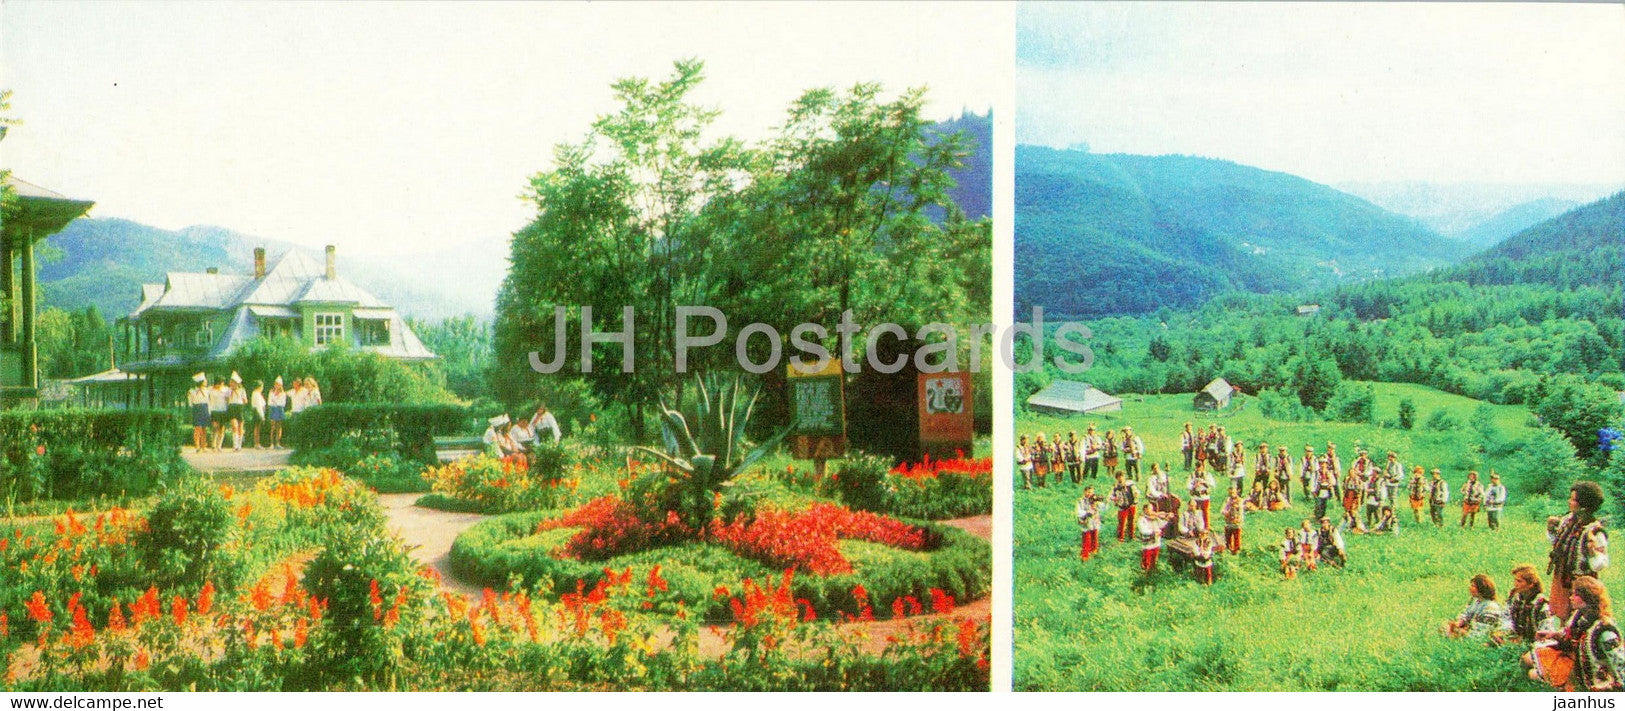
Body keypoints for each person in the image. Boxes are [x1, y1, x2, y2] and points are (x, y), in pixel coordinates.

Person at [1525, 576, 1625, 691]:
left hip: (1598, 687)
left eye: (1575, 595)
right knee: (1530, 665)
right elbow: (1568, 637)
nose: (1570, 598)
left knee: (1534, 674)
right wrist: (1553, 635)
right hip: (1579, 676)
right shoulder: (1580, 617)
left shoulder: (1604, 631)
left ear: (1587, 597)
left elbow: (1621, 665)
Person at [1548, 481, 1610, 619]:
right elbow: (1559, 546)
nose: (1569, 502)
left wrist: (1592, 551)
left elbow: (1601, 564)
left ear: (1584, 504)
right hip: (1563, 576)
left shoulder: (1594, 531)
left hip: (1582, 582)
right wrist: (1551, 530)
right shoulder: (1567, 521)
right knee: (1562, 614)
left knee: (1579, 615)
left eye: (1574, 499)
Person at [1502, 564, 1557, 646]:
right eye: (1515, 580)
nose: (1515, 584)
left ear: (1531, 584)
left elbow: (1546, 630)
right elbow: (1506, 617)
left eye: (1519, 581)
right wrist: (1506, 631)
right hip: (1516, 640)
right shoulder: (1515, 599)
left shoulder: (1541, 604)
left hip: (1535, 643)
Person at [1443, 574, 1505, 638]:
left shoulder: (1490, 607)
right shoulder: (1475, 601)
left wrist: (1460, 632)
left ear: (1481, 589)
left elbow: (1482, 632)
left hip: (1479, 633)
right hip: (1469, 629)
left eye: (1473, 586)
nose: (1470, 588)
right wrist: (1458, 623)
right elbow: (1466, 614)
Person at [1111, 473, 1140, 543]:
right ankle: (1121, 537)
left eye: (1121, 477)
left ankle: (1131, 535)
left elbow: (1137, 492)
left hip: (1131, 505)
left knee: (1131, 520)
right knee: (1121, 522)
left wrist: (1136, 496)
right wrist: (1115, 499)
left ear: (1124, 477)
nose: (1120, 479)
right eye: (1118, 477)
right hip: (1122, 507)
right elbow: (1112, 496)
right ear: (1117, 479)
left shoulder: (1130, 484)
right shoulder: (1115, 487)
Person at [1076, 487, 1103, 561]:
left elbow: (1102, 507)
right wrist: (1086, 513)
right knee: (1086, 537)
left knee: (1094, 535)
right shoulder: (1081, 501)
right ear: (1084, 492)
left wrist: (1098, 503)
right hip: (1086, 521)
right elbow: (1079, 511)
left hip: (1094, 521)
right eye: (1088, 492)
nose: (1089, 494)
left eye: (1091, 492)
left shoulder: (1095, 499)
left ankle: (1094, 550)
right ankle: (1085, 554)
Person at [1137, 507, 1167, 573]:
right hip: (1148, 542)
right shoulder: (1142, 519)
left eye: (1152, 509)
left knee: (1154, 556)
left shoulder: (1155, 517)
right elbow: (1143, 530)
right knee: (1147, 557)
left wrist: (1166, 519)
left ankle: (1153, 569)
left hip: (1156, 541)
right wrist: (1153, 532)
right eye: (1150, 510)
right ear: (1145, 510)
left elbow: (1161, 525)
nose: (1152, 511)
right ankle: (1145, 571)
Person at [1187, 462, 1215, 529]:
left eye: (1200, 467)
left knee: (1205, 512)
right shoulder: (1192, 475)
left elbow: (1212, 484)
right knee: (1194, 512)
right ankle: (1194, 526)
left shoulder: (1207, 474)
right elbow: (1188, 485)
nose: (1198, 468)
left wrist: (1204, 482)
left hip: (1204, 496)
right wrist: (1194, 485)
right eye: (1197, 467)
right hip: (1195, 496)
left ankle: (1206, 526)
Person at [187, 373, 210, 453]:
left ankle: (203, 446)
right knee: (197, 428)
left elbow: (209, 401)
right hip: (197, 408)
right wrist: (193, 408)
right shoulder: (192, 391)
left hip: (205, 408)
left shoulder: (207, 390)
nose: (206, 382)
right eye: (205, 380)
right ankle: (197, 446)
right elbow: (190, 402)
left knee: (204, 428)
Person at [1220, 488, 1246, 554]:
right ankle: (1228, 546)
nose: (1232, 495)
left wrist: (1239, 518)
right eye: (1230, 493)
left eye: (1233, 493)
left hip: (1237, 520)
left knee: (1236, 534)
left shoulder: (1240, 500)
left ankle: (1236, 548)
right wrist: (1225, 512)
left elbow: (1241, 510)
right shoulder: (1228, 500)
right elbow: (1223, 509)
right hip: (1229, 519)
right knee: (1228, 533)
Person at [227, 372, 247, 452]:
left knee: (240, 427)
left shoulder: (242, 390)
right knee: (234, 426)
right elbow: (227, 399)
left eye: (233, 382)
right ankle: (235, 445)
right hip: (232, 407)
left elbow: (245, 401)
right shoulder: (228, 390)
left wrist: (242, 400)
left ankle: (239, 445)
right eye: (231, 382)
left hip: (239, 407)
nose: (231, 384)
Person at [1362, 467, 1387, 531]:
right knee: (1369, 511)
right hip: (1371, 498)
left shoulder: (1380, 480)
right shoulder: (1371, 479)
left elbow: (1378, 490)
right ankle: (1369, 523)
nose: (1372, 473)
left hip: (1377, 498)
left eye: (1373, 472)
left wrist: (1369, 490)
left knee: (1377, 512)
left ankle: (1378, 526)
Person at [208, 377, 229, 450]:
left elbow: (228, 399)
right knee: (214, 426)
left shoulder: (226, 389)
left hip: (223, 410)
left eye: (222, 383)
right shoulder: (210, 389)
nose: (221, 385)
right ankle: (213, 444)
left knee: (221, 428)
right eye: (220, 383)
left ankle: (219, 445)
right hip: (214, 410)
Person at [266, 377, 287, 449]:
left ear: (281, 385)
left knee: (279, 426)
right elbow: (269, 402)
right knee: (273, 426)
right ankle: (271, 444)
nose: (277, 385)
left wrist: (276, 402)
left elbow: (283, 403)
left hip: (280, 409)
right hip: (273, 409)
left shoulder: (283, 393)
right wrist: (274, 403)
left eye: (278, 384)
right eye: (276, 384)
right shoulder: (271, 392)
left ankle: (278, 443)